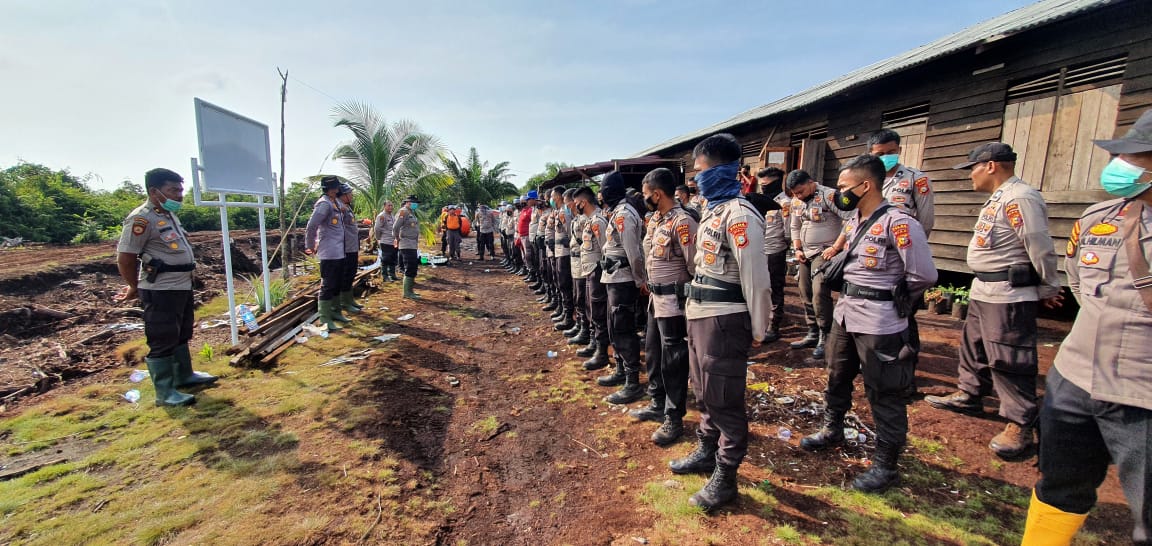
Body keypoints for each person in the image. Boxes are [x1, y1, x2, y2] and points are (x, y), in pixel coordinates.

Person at [1020, 111, 1152, 545]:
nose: (1124, 166)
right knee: (1059, 484)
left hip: (1141, 392)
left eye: (1137, 157)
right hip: (1075, 377)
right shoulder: (1099, 217)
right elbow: (1080, 282)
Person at [799, 154, 937, 493]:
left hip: (880, 321)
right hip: (846, 313)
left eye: (845, 187)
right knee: (837, 374)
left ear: (866, 185)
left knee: (884, 391)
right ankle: (833, 429)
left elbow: (923, 274)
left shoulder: (899, 222)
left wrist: (895, 300)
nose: (840, 193)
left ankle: (886, 465)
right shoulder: (854, 221)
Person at [924, 143, 1062, 458]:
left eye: (972, 168)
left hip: (1008, 293)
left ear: (990, 166)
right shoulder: (998, 198)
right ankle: (970, 394)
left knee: (1008, 356)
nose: (969, 175)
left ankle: (1019, 422)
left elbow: (1038, 245)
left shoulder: (1020, 197)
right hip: (985, 289)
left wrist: (1049, 286)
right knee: (974, 347)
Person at [670, 133, 772, 512]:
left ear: (724, 169)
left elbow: (756, 280)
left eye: (700, 171)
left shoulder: (741, 214)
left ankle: (726, 476)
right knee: (704, 391)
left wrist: (760, 328)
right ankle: (706, 451)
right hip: (700, 315)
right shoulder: (713, 211)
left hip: (725, 321)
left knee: (725, 400)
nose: (695, 179)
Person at [114, 167, 216, 407]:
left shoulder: (169, 215)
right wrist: (132, 286)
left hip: (181, 285)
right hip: (160, 288)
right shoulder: (141, 218)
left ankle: (184, 376)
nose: (179, 195)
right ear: (154, 191)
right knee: (162, 337)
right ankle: (165, 392)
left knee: (181, 332)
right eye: (173, 190)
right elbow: (125, 257)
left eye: (181, 190)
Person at [631, 167, 698, 447]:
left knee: (674, 362)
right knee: (655, 355)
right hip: (654, 301)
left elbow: (695, 266)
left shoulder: (683, 222)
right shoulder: (657, 220)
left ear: (657, 194)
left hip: (674, 302)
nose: (644, 199)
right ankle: (657, 402)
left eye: (646, 195)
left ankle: (674, 416)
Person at [788, 169, 852, 359]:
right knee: (804, 290)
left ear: (811, 182)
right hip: (804, 253)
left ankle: (826, 336)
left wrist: (836, 247)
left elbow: (850, 220)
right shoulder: (796, 201)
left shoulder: (830, 196)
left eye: (800, 191)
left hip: (824, 251)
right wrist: (797, 248)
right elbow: (795, 225)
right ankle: (812, 332)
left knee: (818, 292)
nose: (798, 196)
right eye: (794, 193)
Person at [597, 171, 648, 404]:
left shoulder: (624, 215)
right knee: (613, 326)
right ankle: (620, 369)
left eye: (604, 189)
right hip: (612, 278)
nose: (601, 194)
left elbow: (634, 253)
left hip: (624, 279)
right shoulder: (616, 212)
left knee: (624, 329)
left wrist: (639, 281)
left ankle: (632, 381)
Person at [305, 176, 351, 330]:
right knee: (328, 284)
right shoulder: (324, 204)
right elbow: (311, 226)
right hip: (329, 252)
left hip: (339, 250)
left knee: (337, 283)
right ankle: (325, 318)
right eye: (335, 187)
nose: (337, 190)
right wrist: (310, 245)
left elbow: (343, 209)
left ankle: (336, 312)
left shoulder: (335, 202)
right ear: (330, 189)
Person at [869, 129, 935, 236]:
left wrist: (916, 244)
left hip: (900, 245)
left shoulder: (917, 179)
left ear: (899, 150)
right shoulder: (864, 180)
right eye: (880, 154)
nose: (885, 157)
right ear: (871, 154)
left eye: (891, 152)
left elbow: (926, 220)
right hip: (868, 243)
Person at [574, 186, 612, 369]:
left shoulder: (598, 221)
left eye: (576, 203)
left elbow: (606, 249)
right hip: (590, 270)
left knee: (598, 311)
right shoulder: (590, 220)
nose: (575, 207)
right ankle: (594, 343)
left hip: (597, 270)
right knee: (591, 308)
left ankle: (602, 351)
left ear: (584, 202)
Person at [758, 167, 790, 343]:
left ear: (776, 181)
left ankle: (773, 325)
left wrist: (783, 248)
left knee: (774, 288)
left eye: (766, 184)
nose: (763, 187)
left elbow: (788, 231)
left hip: (775, 251)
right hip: (758, 251)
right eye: (761, 184)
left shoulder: (784, 203)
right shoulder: (759, 201)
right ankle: (760, 321)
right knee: (760, 287)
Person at [550, 187, 576, 332]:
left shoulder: (565, 213)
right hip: (559, 252)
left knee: (565, 284)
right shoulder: (559, 212)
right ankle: (565, 311)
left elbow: (569, 233)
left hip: (565, 253)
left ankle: (569, 317)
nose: (551, 199)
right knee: (561, 283)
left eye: (553, 196)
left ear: (559, 197)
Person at [337, 184, 364, 315]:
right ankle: (344, 303)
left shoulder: (347, 207)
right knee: (346, 275)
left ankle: (350, 299)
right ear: (343, 195)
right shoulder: (339, 208)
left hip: (352, 246)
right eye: (350, 193)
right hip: (345, 247)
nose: (352, 196)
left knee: (351, 273)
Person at [393, 195, 422, 299]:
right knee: (409, 267)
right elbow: (395, 227)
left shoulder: (411, 212)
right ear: (408, 202)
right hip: (406, 243)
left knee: (413, 267)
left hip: (412, 244)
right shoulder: (403, 212)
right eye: (414, 202)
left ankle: (410, 290)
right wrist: (397, 238)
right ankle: (407, 293)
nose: (416, 204)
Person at [374, 201, 398, 282]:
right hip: (385, 241)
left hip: (393, 241)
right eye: (389, 205)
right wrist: (378, 238)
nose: (391, 207)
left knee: (393, 258)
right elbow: (377, 228)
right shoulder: (382, 216)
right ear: (384, 206)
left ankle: (392, 275)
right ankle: (385, 276)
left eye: (392, 205)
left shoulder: (392, 215)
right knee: (386, 259)